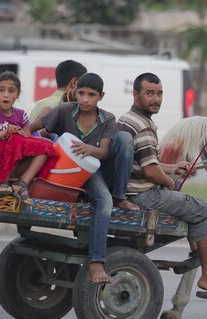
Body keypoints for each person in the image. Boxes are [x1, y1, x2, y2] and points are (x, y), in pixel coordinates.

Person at [122, 72, 207, 301]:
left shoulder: (129, 120)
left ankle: (198, 243)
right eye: (150, 93)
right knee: (206, 212)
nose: (156, 99)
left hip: (133, 189)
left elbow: (144, 163)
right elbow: (150, 172)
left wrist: (173, 167)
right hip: (142, 194)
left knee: (180, 190)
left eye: (159, 94)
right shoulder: (144, 127)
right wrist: (168, 182)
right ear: (136, 95)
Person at [28, 72, 138, 285]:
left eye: (91, 95)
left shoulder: (107, 119)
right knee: (102, 201)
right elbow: (32, 128)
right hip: (70, 171)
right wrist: (22, 138)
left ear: (101, 96)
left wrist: (89, 148)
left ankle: (119, 198)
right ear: (75, 92)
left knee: (124, 140)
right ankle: (96, 261)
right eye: (81, 93)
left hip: (96, 170)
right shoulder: (64, 110)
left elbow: (104, 152)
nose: (85, 99)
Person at [0, 71, 57, 251]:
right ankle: (1, 184)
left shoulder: (21, 115)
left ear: (17, 94)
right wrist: (4, 133)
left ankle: (22, 183)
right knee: (13, 140)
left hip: (15, 165)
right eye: (2, 90)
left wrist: (17, 132)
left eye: (11, 91)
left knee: (45, 146)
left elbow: (27, 141)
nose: (6, 95)